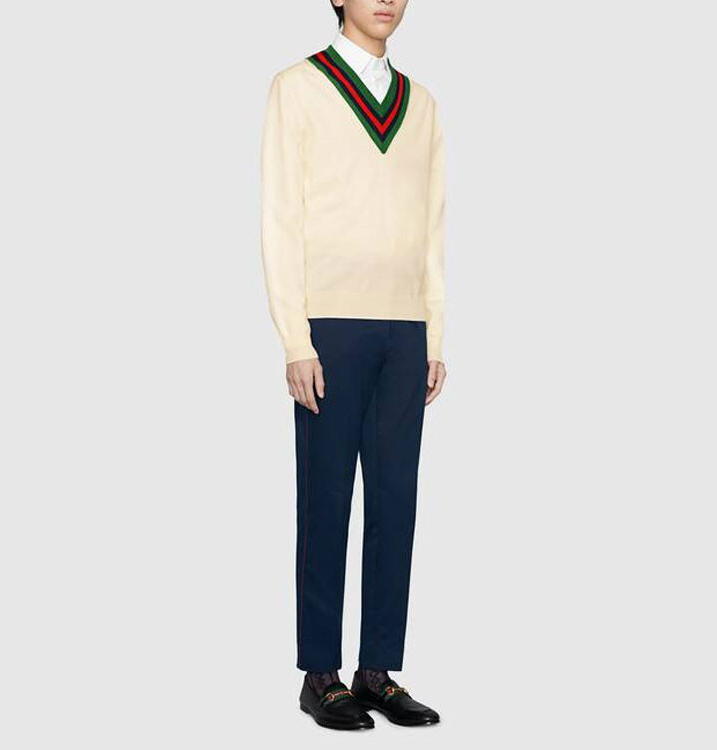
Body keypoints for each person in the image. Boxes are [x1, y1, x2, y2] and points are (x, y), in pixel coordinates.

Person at [260, 0, 447, 730]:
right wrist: (295, 338)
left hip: (404, 327)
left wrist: (433, 335)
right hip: (331, 327)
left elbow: (431, 227)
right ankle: (320, 673)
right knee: (326, 499)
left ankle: (376, 670)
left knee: (395, 503)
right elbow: (280, 218)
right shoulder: (298, 87)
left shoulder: (421, 105)